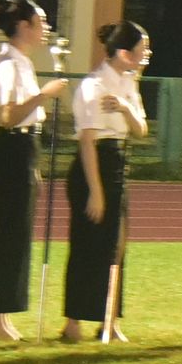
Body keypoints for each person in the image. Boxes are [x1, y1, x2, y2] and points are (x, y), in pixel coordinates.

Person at [0, 0, 70, 341]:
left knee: (18, 236)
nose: (46, 28)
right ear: (23, 26)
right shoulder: (8, 65)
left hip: (24, 147)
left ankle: (3, 316)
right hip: (13, 146)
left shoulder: (22, 63)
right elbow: (8, 116)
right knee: (9, 235)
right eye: (41, 21)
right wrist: (44, 95)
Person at [63, 22, 149, 340]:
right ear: (124, 54)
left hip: (118, 164)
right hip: (93, 166)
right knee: (86, 246)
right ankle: (73, 323)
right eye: (141, 50)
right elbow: (87, 141)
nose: (146, 55)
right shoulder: (93, 85)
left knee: (117, 246)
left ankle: (109, 321)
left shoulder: (128, 83)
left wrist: (125, 107)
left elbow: (141, 130)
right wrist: (95, 192)